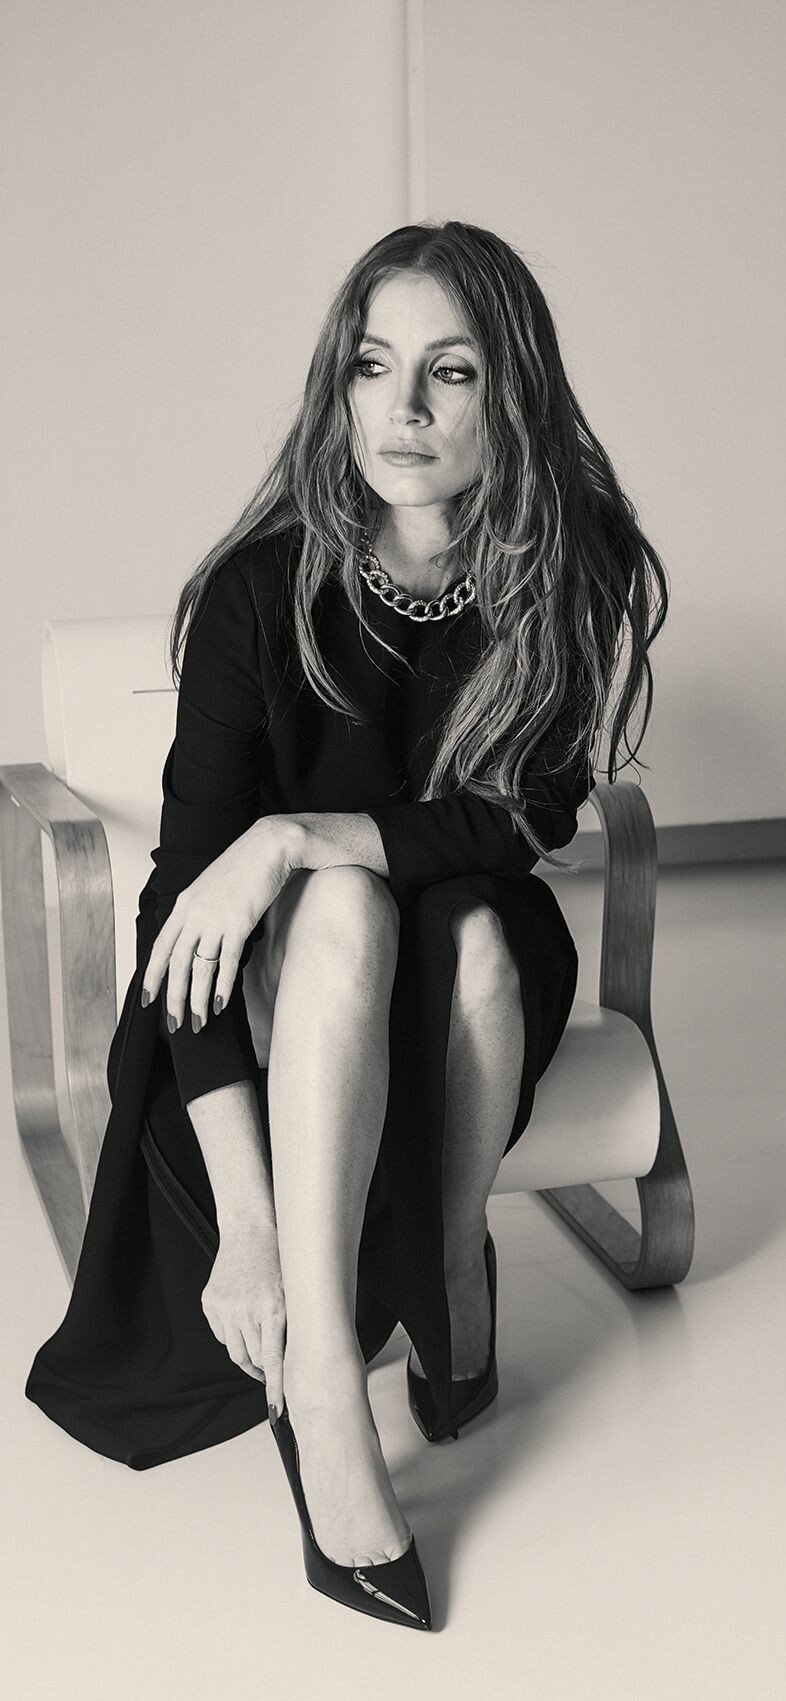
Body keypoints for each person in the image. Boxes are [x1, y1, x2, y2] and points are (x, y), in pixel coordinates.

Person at [24, 219, 669, 1629]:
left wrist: (299, 833)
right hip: (296, 982)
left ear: (512, 397)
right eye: (375, 367)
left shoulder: (570, 567)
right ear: (340, 383)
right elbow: (186, 905)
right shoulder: (262, 590)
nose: (405, 409)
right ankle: (326, 1377)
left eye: (453, 371)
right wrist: (248, 1225)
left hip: (476, 940)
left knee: (476, 936)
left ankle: (446, 1248)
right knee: (339, 912)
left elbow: (524, 818)